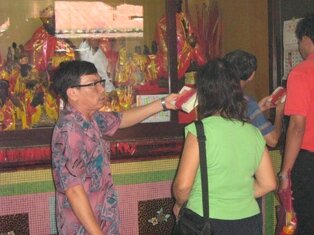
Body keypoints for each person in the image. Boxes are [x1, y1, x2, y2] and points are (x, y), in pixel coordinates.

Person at [50, 60, 177, 235]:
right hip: (83, 228)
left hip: (102, 219)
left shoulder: (90, 118)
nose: (102, 89)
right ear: (72, 93)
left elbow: (121, 119)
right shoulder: (70, 130)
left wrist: (163, 103)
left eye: (100, 82)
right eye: (93, 85)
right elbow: (74, 190)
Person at [172, 59, 276, 235]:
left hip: (206, 221)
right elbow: (269, 183)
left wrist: (179, 204)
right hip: (248, 223)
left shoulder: (200, 131)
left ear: (204, 93)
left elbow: (182, 187)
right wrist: (236, 196)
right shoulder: (253, 132)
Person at [279, 14, 314, 235]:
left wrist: (285, 173)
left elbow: (297, 127)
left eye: (299, 41)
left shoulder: (301, 72)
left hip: (309, 162)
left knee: (304, 223)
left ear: (307, 40)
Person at [224, 50, 285, 148]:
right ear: (251, 75)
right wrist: (279, 112)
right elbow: (273, 140)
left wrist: (258, 109)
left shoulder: (218, 96)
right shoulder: (247, 103)